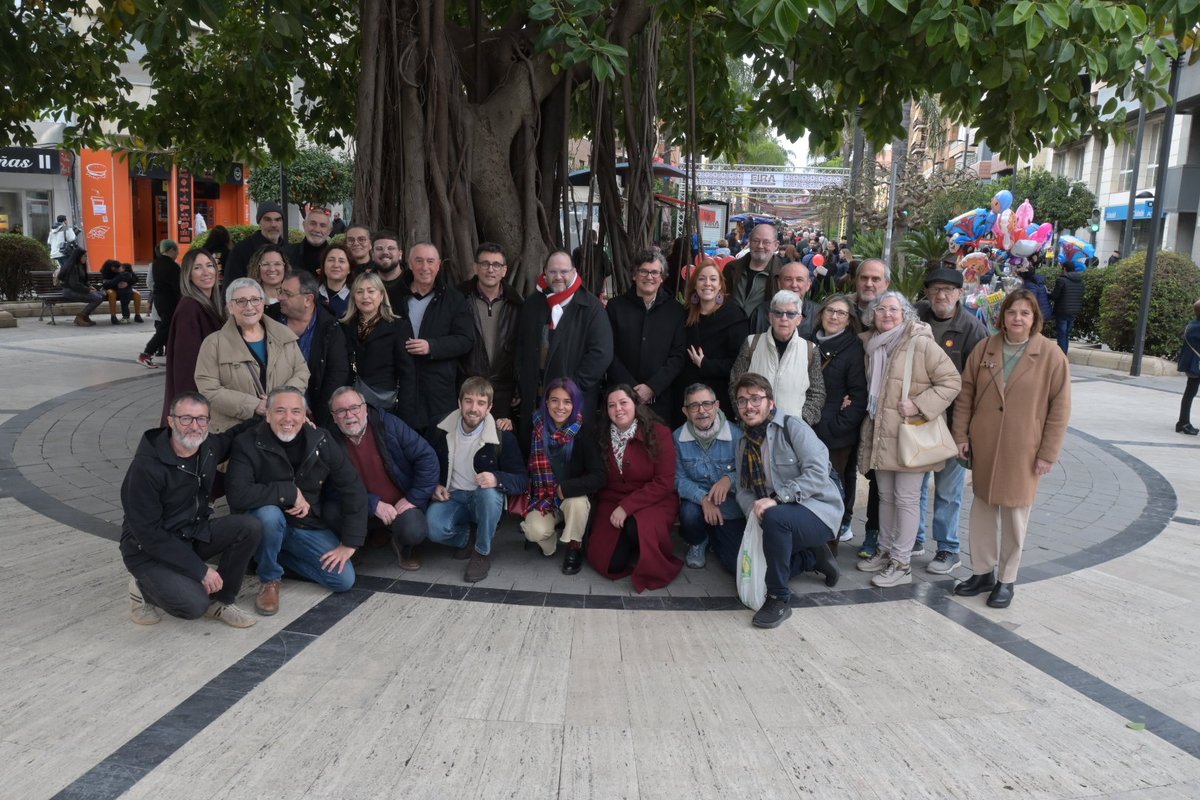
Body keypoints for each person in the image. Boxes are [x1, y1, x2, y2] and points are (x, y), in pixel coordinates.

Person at [953, 288, 1071, 608]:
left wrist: (1048, 453)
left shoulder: (1050, 355)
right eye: (1011, 312)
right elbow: (965, 395)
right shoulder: (985, 348)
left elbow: (1060, 409)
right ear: (1001, 316)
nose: (1017, 318)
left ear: (1035, 319)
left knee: (1015, 516)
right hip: (986, 445)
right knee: (982, 511)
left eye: (1025, 313)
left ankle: (1006, 579)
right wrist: (961, 435)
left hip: (1025, 448)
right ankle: (981, 572)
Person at [121, 392, 261, 627]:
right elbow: (148, 535)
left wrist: (265, 415)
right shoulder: (145, 468)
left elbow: (233, 436)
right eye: (186, 419)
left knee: (249, 527)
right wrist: (200, 571)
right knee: (193, 606)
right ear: (171, 421)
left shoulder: (207, 447)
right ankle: (142, 587)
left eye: (201, 419)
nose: (194, 426)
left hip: (192, 532)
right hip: (147, 551)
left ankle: (222, 601)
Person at [227, 387, 368, 615]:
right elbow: (238, 494)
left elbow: (353, 488)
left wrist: (349, 543)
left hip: (306, 525)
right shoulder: (247, 442)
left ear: (305, 415)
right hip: (264, 522)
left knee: (343, 580)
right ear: (268, 414)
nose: (288, 419)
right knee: (269, 515)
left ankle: (270, 554)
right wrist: (289, 492)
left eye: (295, 411)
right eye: (280, 411)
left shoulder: (321, 439)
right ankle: (270, 580)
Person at [856, 291, 960, 588]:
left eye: (894, 309)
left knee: (907, 499)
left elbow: (952, 381)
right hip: (883, 432)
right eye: (881, 309)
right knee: (887, 497)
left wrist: (919, 405)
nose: (887, 314)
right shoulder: (873, 345)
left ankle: (902, 563)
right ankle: (886, 552)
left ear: (905, 314)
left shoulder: (920, 343)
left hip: (909, 433)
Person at [732, 373, 843, 629]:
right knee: (740, 559)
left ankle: (778, 598)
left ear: (771, 402)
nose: (749, 406)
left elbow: (817, 472)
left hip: (818, 510)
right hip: (778, 516)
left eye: (755, 398)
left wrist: (777, 499)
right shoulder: (743, 443)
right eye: (742, 400)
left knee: (775, 519)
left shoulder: (793, 427)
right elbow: (742, 489)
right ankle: (811, 558)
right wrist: (754, 509)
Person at [912, 267, 987, 573]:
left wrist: (965, 433)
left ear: (959, 294)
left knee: (948, 491)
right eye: (935, 290)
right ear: (927, 293)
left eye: (948, 290)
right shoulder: (915, 317)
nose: (941, 296)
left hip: (952, 424)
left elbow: (975, 386)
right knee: (914, 486)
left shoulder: (971, 329)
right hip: (916, 420)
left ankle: (947, 548)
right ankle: (913, 538)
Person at [427, 378, 529, 582]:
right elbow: (424, 463)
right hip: (453, 497)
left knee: (489, 494)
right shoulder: (439, 427)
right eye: (468, 401)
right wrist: (433, 485)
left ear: (489, 407)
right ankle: (468, 538)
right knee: (433, 528)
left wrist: (496, 478)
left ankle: (482, 552)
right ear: (459, 402)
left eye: (481, 403)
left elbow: (522, 481)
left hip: (483, 500)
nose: (473, 408)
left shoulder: (502, 436)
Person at [327, 386, 439, 571]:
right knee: (331, 512)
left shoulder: (388, 424)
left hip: (399, 504)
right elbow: (332, 488)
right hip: (361, 507)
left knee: (413, 530)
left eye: (354, 407)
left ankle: (402, 545)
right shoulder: (329, 439)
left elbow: (427, 457)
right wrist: (373, 504)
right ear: (333, 416)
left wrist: (414, 497)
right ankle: (355, 545)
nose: (349, 415)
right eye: (341, 411)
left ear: (365, 408)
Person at [586, 385, 681, 592]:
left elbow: (664, 482)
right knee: (609, 564)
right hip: (612, 499)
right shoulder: (600, 436)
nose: (618, 409)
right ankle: (631, 544)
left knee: (635, 527)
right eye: (612, 405)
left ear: (636, 405)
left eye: (623, 403)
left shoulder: (660, 433)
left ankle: (643, 545)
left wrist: (627, 507)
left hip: (654, 499)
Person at [514, 250, 614, 447]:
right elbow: (521, 346)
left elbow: (601, 353)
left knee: (570, 458)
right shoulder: (532, 304)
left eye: (563, 271)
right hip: (535, 397)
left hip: (572, 401)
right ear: (544, 272)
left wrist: (571, 389)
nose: (558, 276)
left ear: (574, 272)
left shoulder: (591, 307)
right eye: (552, 272)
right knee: (535, 454)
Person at [194, 278, 310, 432]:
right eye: (241, 301)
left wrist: (280, 401)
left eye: (255, 300)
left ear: (263, 303)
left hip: (282, 427)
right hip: (235, 432)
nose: (249, 307)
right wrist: (255, 405)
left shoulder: (284, 335)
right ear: (230, 307)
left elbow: (301, 371)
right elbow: (208, 388)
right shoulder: (213, 344)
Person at [519, 377, 605, 574]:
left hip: (569, 497)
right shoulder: (534, 426)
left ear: (574, 405)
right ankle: (550, 544)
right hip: (542, 499)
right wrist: (505, 423)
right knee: (533, 531)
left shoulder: (584, 432)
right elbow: (520, 457)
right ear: (546, 402)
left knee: (577, 503)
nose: (560, 407)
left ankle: (575, 547)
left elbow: (599, 476)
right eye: (555, 400)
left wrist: (566, 488)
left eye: (567, 401)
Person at [394, 242, 475, 435]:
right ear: (409, 264)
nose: (425, 267)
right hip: (401, 390)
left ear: (438, 265)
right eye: (419, 261)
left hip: (439, 391)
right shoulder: (393, 297)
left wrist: (432, 346)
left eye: (430, 261)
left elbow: (465, 340)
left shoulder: (454, 299)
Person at [811, 293, 868, 546]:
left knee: (833, 488)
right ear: (821, 313)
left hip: (835, 435)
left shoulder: (854, 348)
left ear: (849, 320)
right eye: (830, 311)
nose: (834, 316)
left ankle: (828, 545)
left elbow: (858, 395)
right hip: (807, 428)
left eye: (841, 313)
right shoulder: (808, 342)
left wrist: (837, 426)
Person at [605, 250, 687, 422]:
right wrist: (630, 390)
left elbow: (678, 356)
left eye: (655, 272)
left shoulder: (675, 310)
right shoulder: (615, 307)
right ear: (634, 275)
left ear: (662, 277)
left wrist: (652, 387)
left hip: (660, 399)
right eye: (643, 271)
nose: (649, 277)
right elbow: (608, 352)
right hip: (621, 397)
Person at [674, 382, 744, 571]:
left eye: (707, 404)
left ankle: (715, 537)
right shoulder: (677, 438)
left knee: (733, 562)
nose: (702, 411)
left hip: (730, 507)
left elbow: (748, 473)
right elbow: (677, 478)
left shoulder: (737, 436)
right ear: (685, 411)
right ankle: (698, 540)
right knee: (688, 514)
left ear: (717, 405)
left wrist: (729, 479)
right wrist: (703, 499)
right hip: (697, 505)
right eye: (694, 406)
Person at [730, 289, 825, 425]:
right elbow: (735, 383)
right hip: (753, 427)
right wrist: (744, 416)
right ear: (770, 317)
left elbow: (817, 393)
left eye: (791, 314)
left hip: (791, 432)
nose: (784, 318)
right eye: (778, 313)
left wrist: (801, 421)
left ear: (799, 319)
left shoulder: (810, 350)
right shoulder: (752, 344)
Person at [458, 242, 524, 429]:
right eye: (485, 264)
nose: (490, 270)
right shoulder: (458, 299)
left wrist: (517, 387)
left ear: (504, 270)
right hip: (467, 387)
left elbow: (521, 350)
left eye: (496, 265)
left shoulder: (517, 304)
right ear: (475, 267)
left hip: (502, 390)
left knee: (497, 443)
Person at [676, 258, 749, 423]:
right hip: (686, 395)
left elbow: (739, 363)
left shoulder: (734, 316)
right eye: (701, 279)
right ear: (695, 285)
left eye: (713, 279)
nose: (707, 283)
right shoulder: (684, 314)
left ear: (720, 285)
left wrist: (705, 365)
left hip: (718, 396)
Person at [342, 272, 419, 424]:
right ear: (353, 297)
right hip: (351, 406)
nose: (365, 296)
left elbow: (407, 373)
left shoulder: (398, 327)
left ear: (381, 295)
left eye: (371, 291)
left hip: (386, 406)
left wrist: (404, 414)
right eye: (359, 291)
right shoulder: (344, 327)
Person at [276, 270, 350, 427]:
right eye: (280, 291)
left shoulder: (330, 327)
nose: (280, 297)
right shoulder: (269, 319)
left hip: (315, 416)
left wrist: (319, 417)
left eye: (287, 294)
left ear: (308, 299)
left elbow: (337, 375)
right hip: (272, 411)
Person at [161, 249, 226, 424]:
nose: (206, 272)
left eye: (209, 266)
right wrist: (192, 409)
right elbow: (186, 365)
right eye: (198, 268)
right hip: (198, 399)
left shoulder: (209, 305)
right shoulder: (189, 309)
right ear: (188, 275)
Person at [725, 223, 784, 320]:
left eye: (766, 242)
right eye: (755, 241)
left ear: (776, 245)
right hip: (730, 330)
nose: (760, 246)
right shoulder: (731, 269)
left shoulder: (782, 275)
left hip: (763, 332)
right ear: (749, 242)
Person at [138, 240, 181, 367]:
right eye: (176, 251)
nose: (177, 254)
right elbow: (177, 287)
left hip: (159, 300)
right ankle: (145, 354)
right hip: (170, 301)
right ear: (171, 250)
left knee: (166, 327)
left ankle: (172, 353)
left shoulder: (156, 264)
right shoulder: (172, 266)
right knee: (164, 329)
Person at [224, 202, 285, 288]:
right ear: (259, 222)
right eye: (268, 220)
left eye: (278, 220)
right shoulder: (241, 250)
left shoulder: (289, 250)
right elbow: (230, 287)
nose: (273, 225)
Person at [58, 247, 103, 327]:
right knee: (97, 298)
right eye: (85, 256)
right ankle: (81, 317)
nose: (86, 258)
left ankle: (84, 316)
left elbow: (84, 281)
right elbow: (74, 284)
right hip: (70, 291)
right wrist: (87, 290)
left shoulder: (80, 266)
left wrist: (90, 287)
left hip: (78, 289)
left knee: (101, 295)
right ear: (79, 256)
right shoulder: (73, 267)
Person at [283, 206, 332, 274]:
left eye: (323, 225)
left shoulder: (337, 259)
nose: (317, 229)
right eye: (313, 223)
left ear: (329, 230)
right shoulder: (286, 254)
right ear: (304, 225)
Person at [1176, 299, 1200, 436]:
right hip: (1195, 365)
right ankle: (1183, 423)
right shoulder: (1197, 327)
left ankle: (1183, 422)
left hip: (1194, 364)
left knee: (1189, 393)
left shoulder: (1193, 324)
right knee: (1190, 393)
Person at [1050, 260, 1084, 354]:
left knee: (1062, 334)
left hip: (1062, 311)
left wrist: (1047, 294)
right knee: (1066, 334)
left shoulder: (1061, 280)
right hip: (1074, 311)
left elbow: (1054, 296)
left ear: (1064, 269)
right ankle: (1064, 354)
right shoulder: (1080, 281)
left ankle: (1061, 356)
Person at [100, 259, 143, 325]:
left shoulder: (122, 269)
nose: (117, 270)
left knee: (137, 294)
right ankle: (113, 317)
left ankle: (137, 315)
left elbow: (135, 278)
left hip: (125, 289)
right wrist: (117, 285)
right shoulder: (107, 272)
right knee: (112, 294)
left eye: (117, 268)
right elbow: (107, 284)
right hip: (112, 288)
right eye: (114, 268)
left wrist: (127, 283)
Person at [316, 243, 353, 318]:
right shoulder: (312, 293)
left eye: (341, 261)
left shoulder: (355, 296)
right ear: (323, 265)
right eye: (331, 260)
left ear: (349, 269)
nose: (336, 265)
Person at [850, 257, 889, 327]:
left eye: (875, 279)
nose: (868, 284)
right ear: (856, 280)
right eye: (864, 278)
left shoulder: (899, 318)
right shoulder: (838, 309)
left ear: (886, 284)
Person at [372, 231, 406, 305]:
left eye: (391, 248)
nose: (385, 252)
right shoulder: (366, 282)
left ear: (400, 254)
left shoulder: (412, 281)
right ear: (373, 255)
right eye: (379, 248)